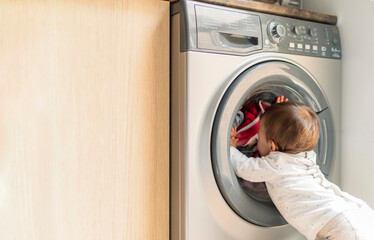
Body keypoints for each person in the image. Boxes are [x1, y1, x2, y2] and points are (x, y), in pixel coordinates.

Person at [230, 102, 374, 240]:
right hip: (357, 216)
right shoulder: (307, 155)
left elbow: (244, 167)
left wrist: (230, 148)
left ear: (272, 146)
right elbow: (293, 131)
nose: (256, 140)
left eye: (259, 137)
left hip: (340, 227)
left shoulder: (276, 165)